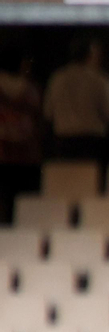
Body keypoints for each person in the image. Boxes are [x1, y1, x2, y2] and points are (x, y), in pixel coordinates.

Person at [42, 37, 109, 162]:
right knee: (90, 177)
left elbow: (48, 113)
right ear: (89, 54)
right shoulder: (98, 79)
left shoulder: (57, 78)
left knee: (68, 177)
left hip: (63, 139)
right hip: (92, 140)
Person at [0, 47, 43, 226]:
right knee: (21, 198)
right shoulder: (30, 90)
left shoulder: (29, 89)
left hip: (8, 151)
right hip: (24, 153)